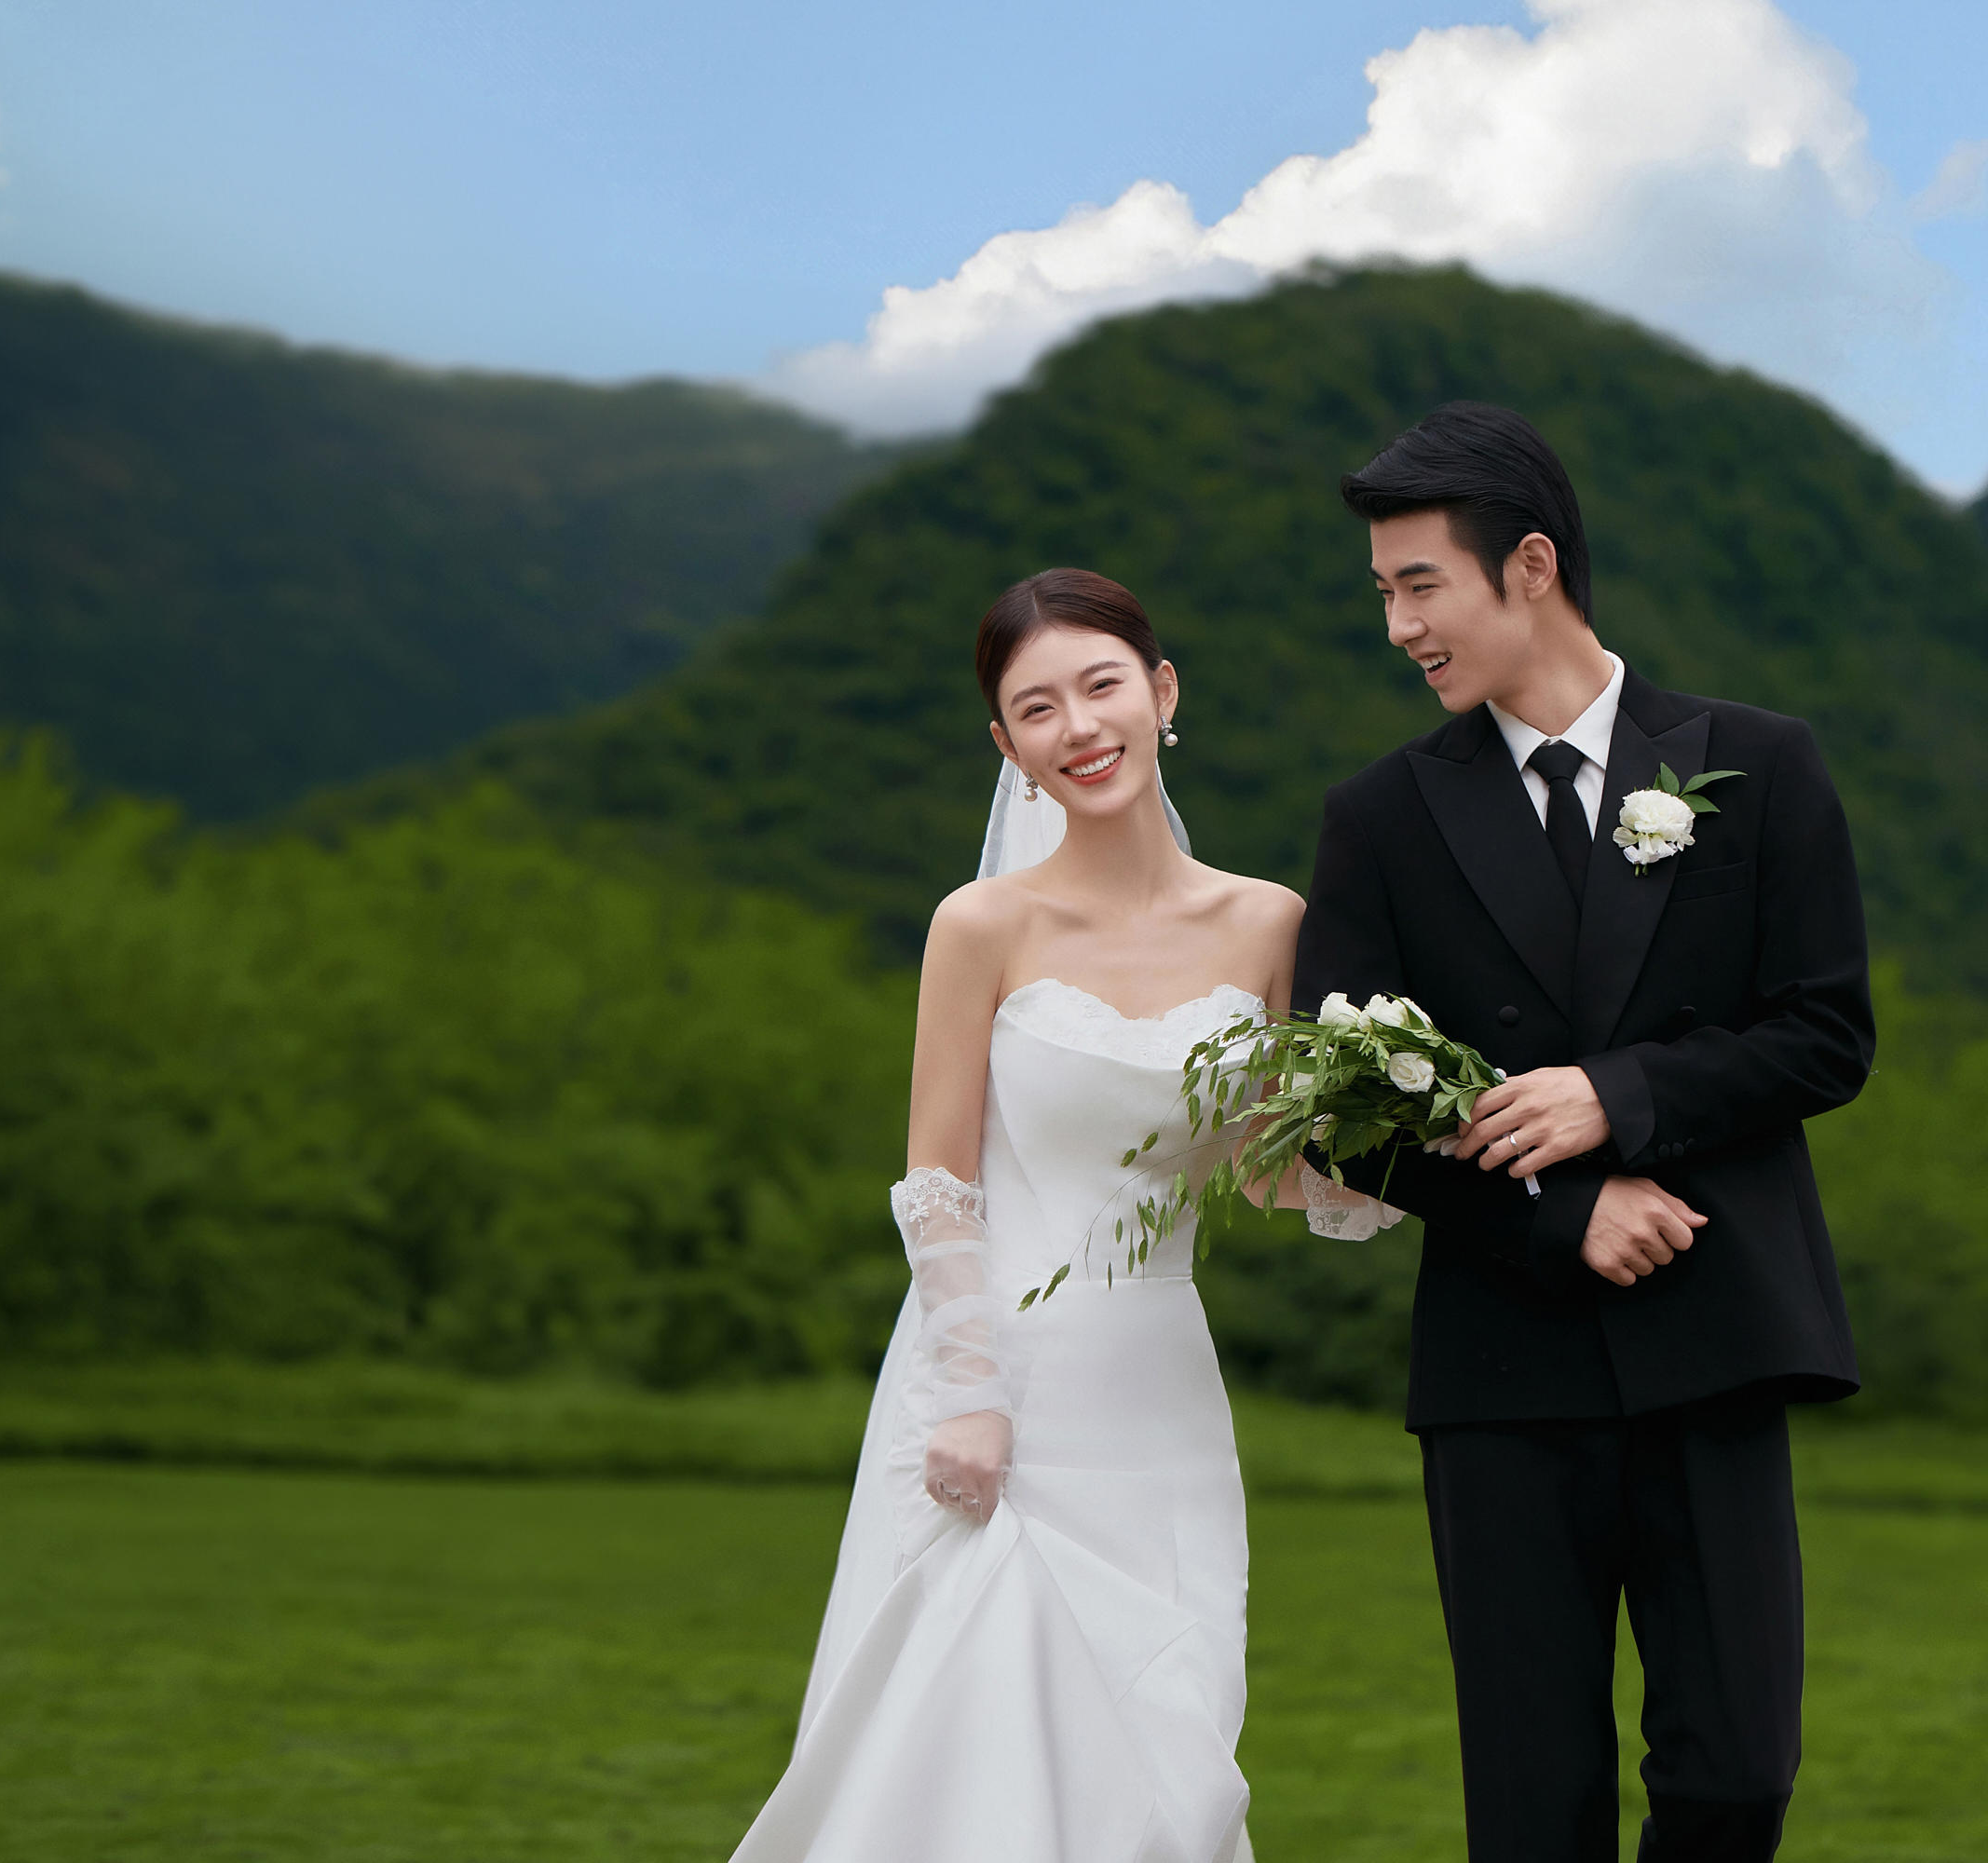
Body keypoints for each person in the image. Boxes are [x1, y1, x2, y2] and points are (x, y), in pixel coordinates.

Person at [1294, 403, 1877, 1861]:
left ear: (1532, 566)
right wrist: (1567, 1213)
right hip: (1503, 1367)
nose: (1398, 627)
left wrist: (1618, 1096)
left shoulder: (1760, 764)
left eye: (1419, 585)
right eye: (1383, 592)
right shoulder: (1380, 818)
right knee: (1533, 1809)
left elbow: (1826, 1035)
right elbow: (1346, 1119)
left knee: (1738, 1774)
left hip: (1716, 1330)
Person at [730, 565, 1376, 1863]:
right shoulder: (982, 925)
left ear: (1162, 692)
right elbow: (938, 1177)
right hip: (1002, 1380)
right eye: (1038, 708)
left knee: (1169, 1748)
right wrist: (970, 1390)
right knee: (971, 1748)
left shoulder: (1268, 922)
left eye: (1101, 686)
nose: (1079, 727)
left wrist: (1399, 1153)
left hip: (1159, 1391)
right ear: (1007, 746)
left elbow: (1255, 1167)